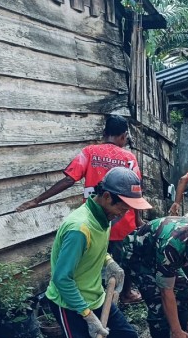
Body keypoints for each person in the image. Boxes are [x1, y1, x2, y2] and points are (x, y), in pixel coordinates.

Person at [44, 167, 152, 338]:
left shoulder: (102, 219)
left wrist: (108, 262)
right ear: (106, 197)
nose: (126, 213)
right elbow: (62, 278)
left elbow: (95, 251)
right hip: (70, 305)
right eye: (123, 206)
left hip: (95, 297)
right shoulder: (79, 228)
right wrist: (88, 316)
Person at [17, 114, 144, 303]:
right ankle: (123, 295)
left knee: (91, 262)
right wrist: (139, 220)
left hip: (93, 221)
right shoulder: (129, 158)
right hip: (121, 221)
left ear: (103, 133)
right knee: (120, 261)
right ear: (124, 136)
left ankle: (93, 297)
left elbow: (69, 179)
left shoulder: (89, 152)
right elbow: (136, 192)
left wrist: (37, 200)